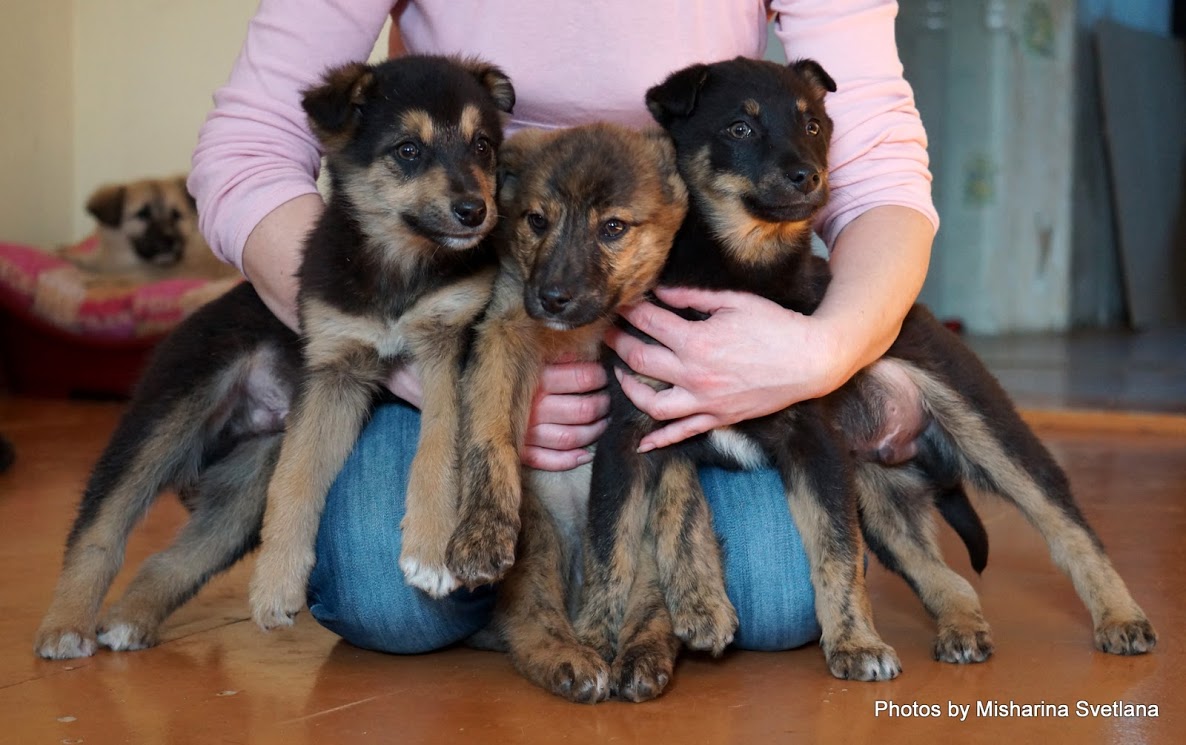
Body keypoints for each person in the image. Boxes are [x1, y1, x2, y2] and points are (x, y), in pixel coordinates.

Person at [189, 0, 938, 655]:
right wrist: (412, 365)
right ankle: (543, 585)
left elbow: (879, 170)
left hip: (676, 268)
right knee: (392, 605)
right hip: (458, 280)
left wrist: (821, 351)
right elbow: (248, 147)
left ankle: (571, 574)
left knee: (775, 603)